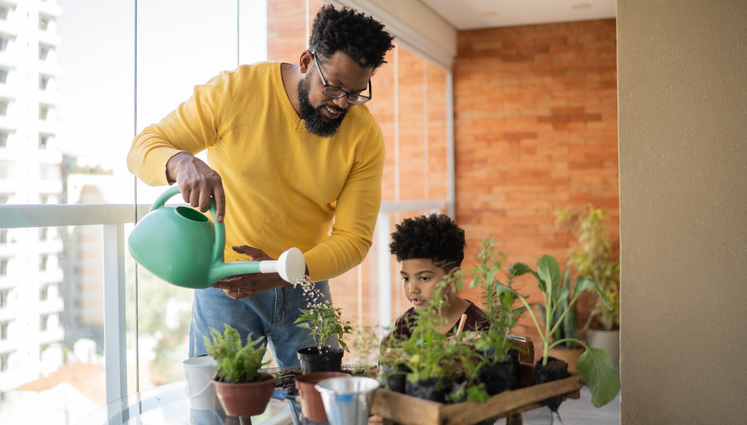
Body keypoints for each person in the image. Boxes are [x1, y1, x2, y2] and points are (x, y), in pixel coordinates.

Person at [127, 5, 394, 367]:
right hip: (226, 283)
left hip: (304, 283)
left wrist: (282, 274)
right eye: (333, 87)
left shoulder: (363, 135)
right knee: (214, 418)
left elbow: (355, 239)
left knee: (319, 412)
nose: (341, 104)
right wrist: (181, 162)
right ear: (305, 62)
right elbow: (143, 148)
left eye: (356, 93)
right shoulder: (235, 92)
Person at [388, 213, 489, 340]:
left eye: (424, 278)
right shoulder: (404, 325)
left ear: (453, 277)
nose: (412, 289)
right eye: (406, 278)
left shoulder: (478, 325)